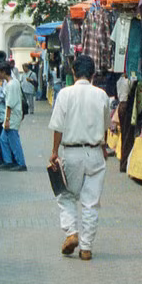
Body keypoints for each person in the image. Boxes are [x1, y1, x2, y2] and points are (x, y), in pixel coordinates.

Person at [48, 55, 111, 261]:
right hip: (95, 152)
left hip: (72, 152)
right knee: (91, 202)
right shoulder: (102, 95)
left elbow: (57, 127)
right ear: (93, 74)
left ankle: (71, 232)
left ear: (73, 72)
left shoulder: (65, 94)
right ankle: (86, 248)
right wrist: (103, 147)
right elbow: (105, 126)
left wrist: (54, 152)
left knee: (66, 195)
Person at [0, 61, 27, 171]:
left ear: (4, 72)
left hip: (12, 115)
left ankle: (21, 163)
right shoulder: (14, 82)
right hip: (13, 114)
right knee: (3, 139)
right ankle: (8, 161)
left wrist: (7, 120)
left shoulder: (11, 85)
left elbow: (9, 104)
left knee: (14, 140)